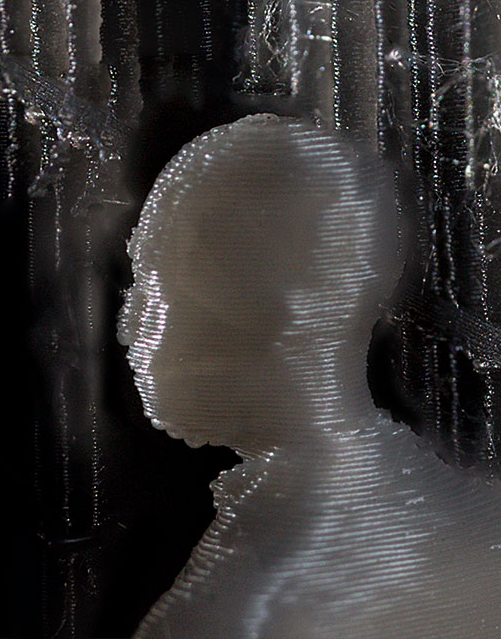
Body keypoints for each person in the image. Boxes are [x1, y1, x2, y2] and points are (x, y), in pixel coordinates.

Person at [123, 114, 500, 639]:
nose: (132, 324)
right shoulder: (469, 519)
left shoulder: (244, 601)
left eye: (153, 280)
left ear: (275, 313)